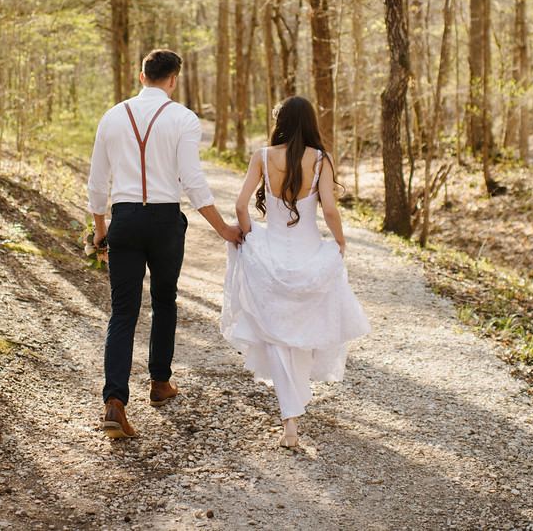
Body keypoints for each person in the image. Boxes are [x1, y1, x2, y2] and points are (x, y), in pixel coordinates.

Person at [88, 49, 243, 439]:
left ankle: (114, 402)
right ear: (173, 79)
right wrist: (223, 228)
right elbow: (193, 181)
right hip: (164, 221)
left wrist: (99, 227)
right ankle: (159, 384)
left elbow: (96, 182)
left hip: (123, 219)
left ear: (142, 77)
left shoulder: (112, 116)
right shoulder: (183, 119)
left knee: (123, 312)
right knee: (163, 301)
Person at [221, 96, 370, 448]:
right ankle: (293, 414)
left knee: (276, 333)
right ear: (310, 122)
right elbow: (330, 210)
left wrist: (248, 237)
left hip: (269, 252)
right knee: (299, 331)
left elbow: (241, 205)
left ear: (281, 121)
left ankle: (290, 419)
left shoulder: (262, 156)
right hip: (308, 254)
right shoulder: (320, 159)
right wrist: (340, 243)